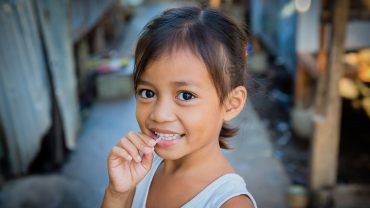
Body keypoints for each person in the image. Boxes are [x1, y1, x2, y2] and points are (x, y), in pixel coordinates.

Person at [102, 6, 257, 208]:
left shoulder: (229, 203)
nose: (160, 115)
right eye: (148, 93)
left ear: (231, 104)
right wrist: (116, 194)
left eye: (186, 95)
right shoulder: (138, 172)